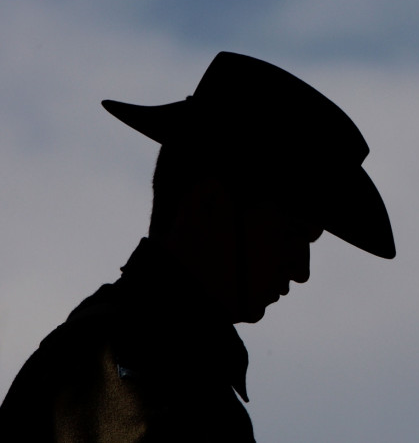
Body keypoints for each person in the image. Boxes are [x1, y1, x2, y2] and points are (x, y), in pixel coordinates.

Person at [0, 52, 395, 441]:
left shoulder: (162, 362)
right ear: (210, 207)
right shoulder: (130, 365)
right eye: (290, 234)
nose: (301, 269)